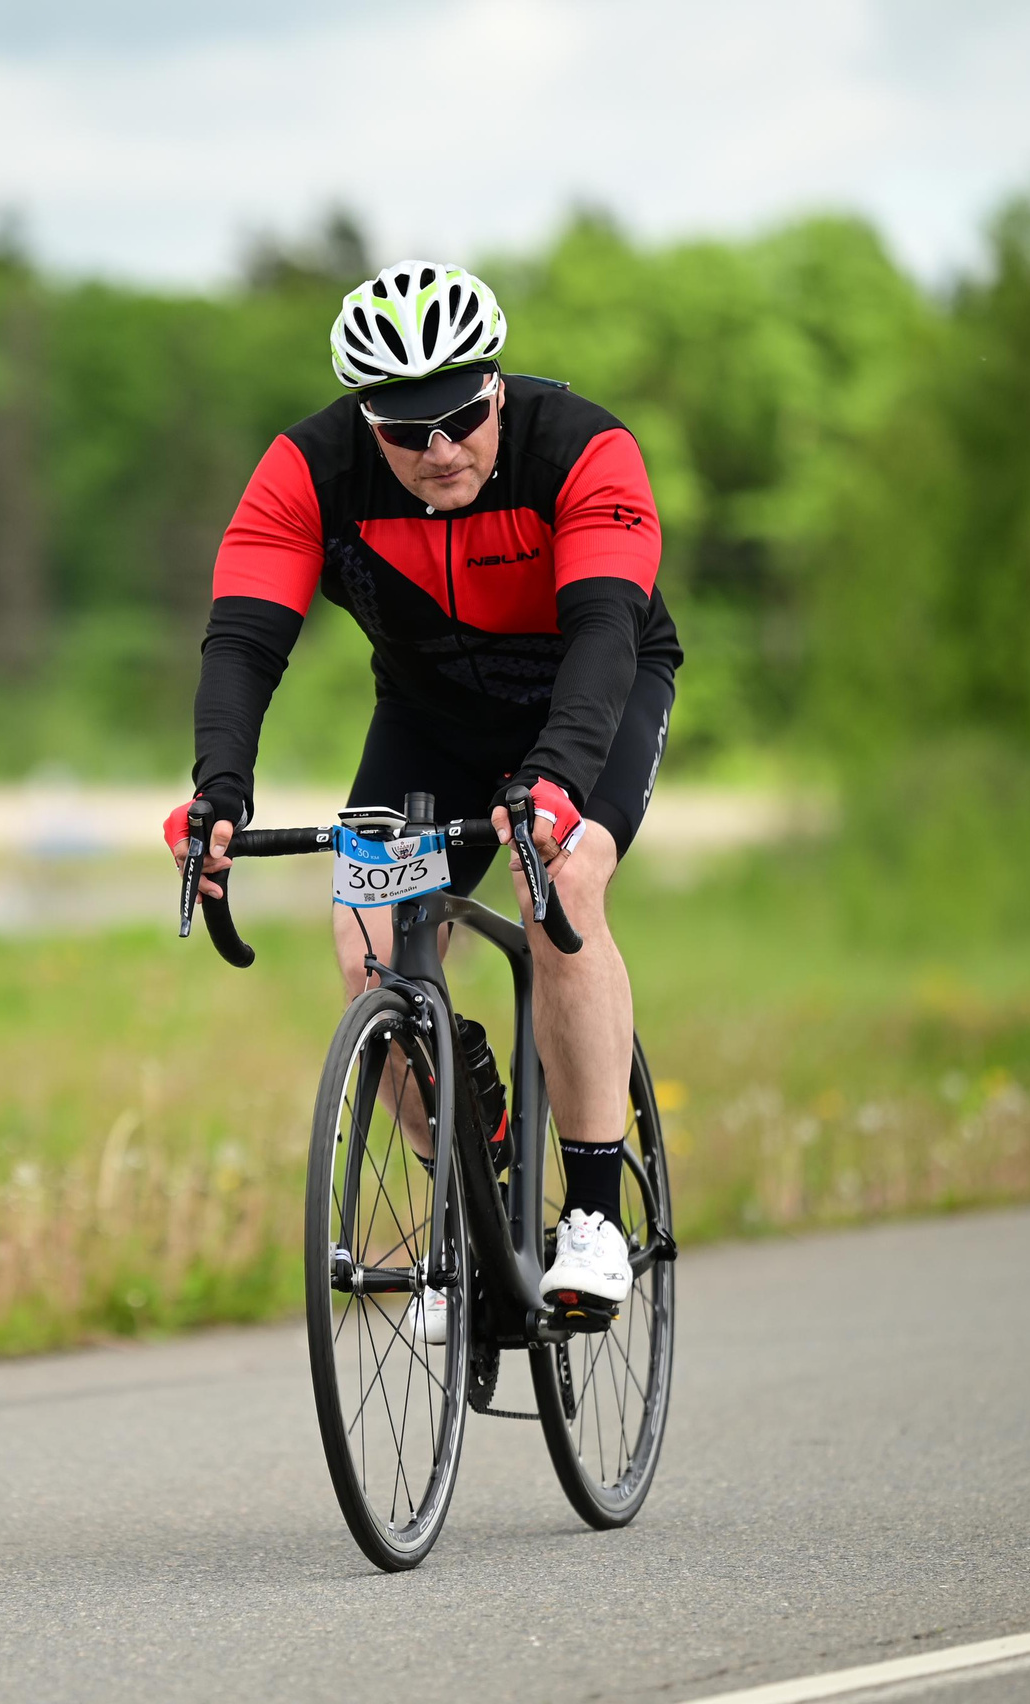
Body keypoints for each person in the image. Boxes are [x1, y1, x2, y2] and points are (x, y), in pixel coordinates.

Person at [165, 260, 680, 1341]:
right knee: (367, 951)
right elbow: (243, 641)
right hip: (433, 719)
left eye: (460, 419)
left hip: (591, 698)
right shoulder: (308, 472)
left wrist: (556, 783)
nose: (440, 451)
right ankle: (478, 1181)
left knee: (562, 885)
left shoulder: (581, 449)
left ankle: (592, 1214)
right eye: (407, 431)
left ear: (496, 390)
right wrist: (218, 793)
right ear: (367, 420)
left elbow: (603, 634)